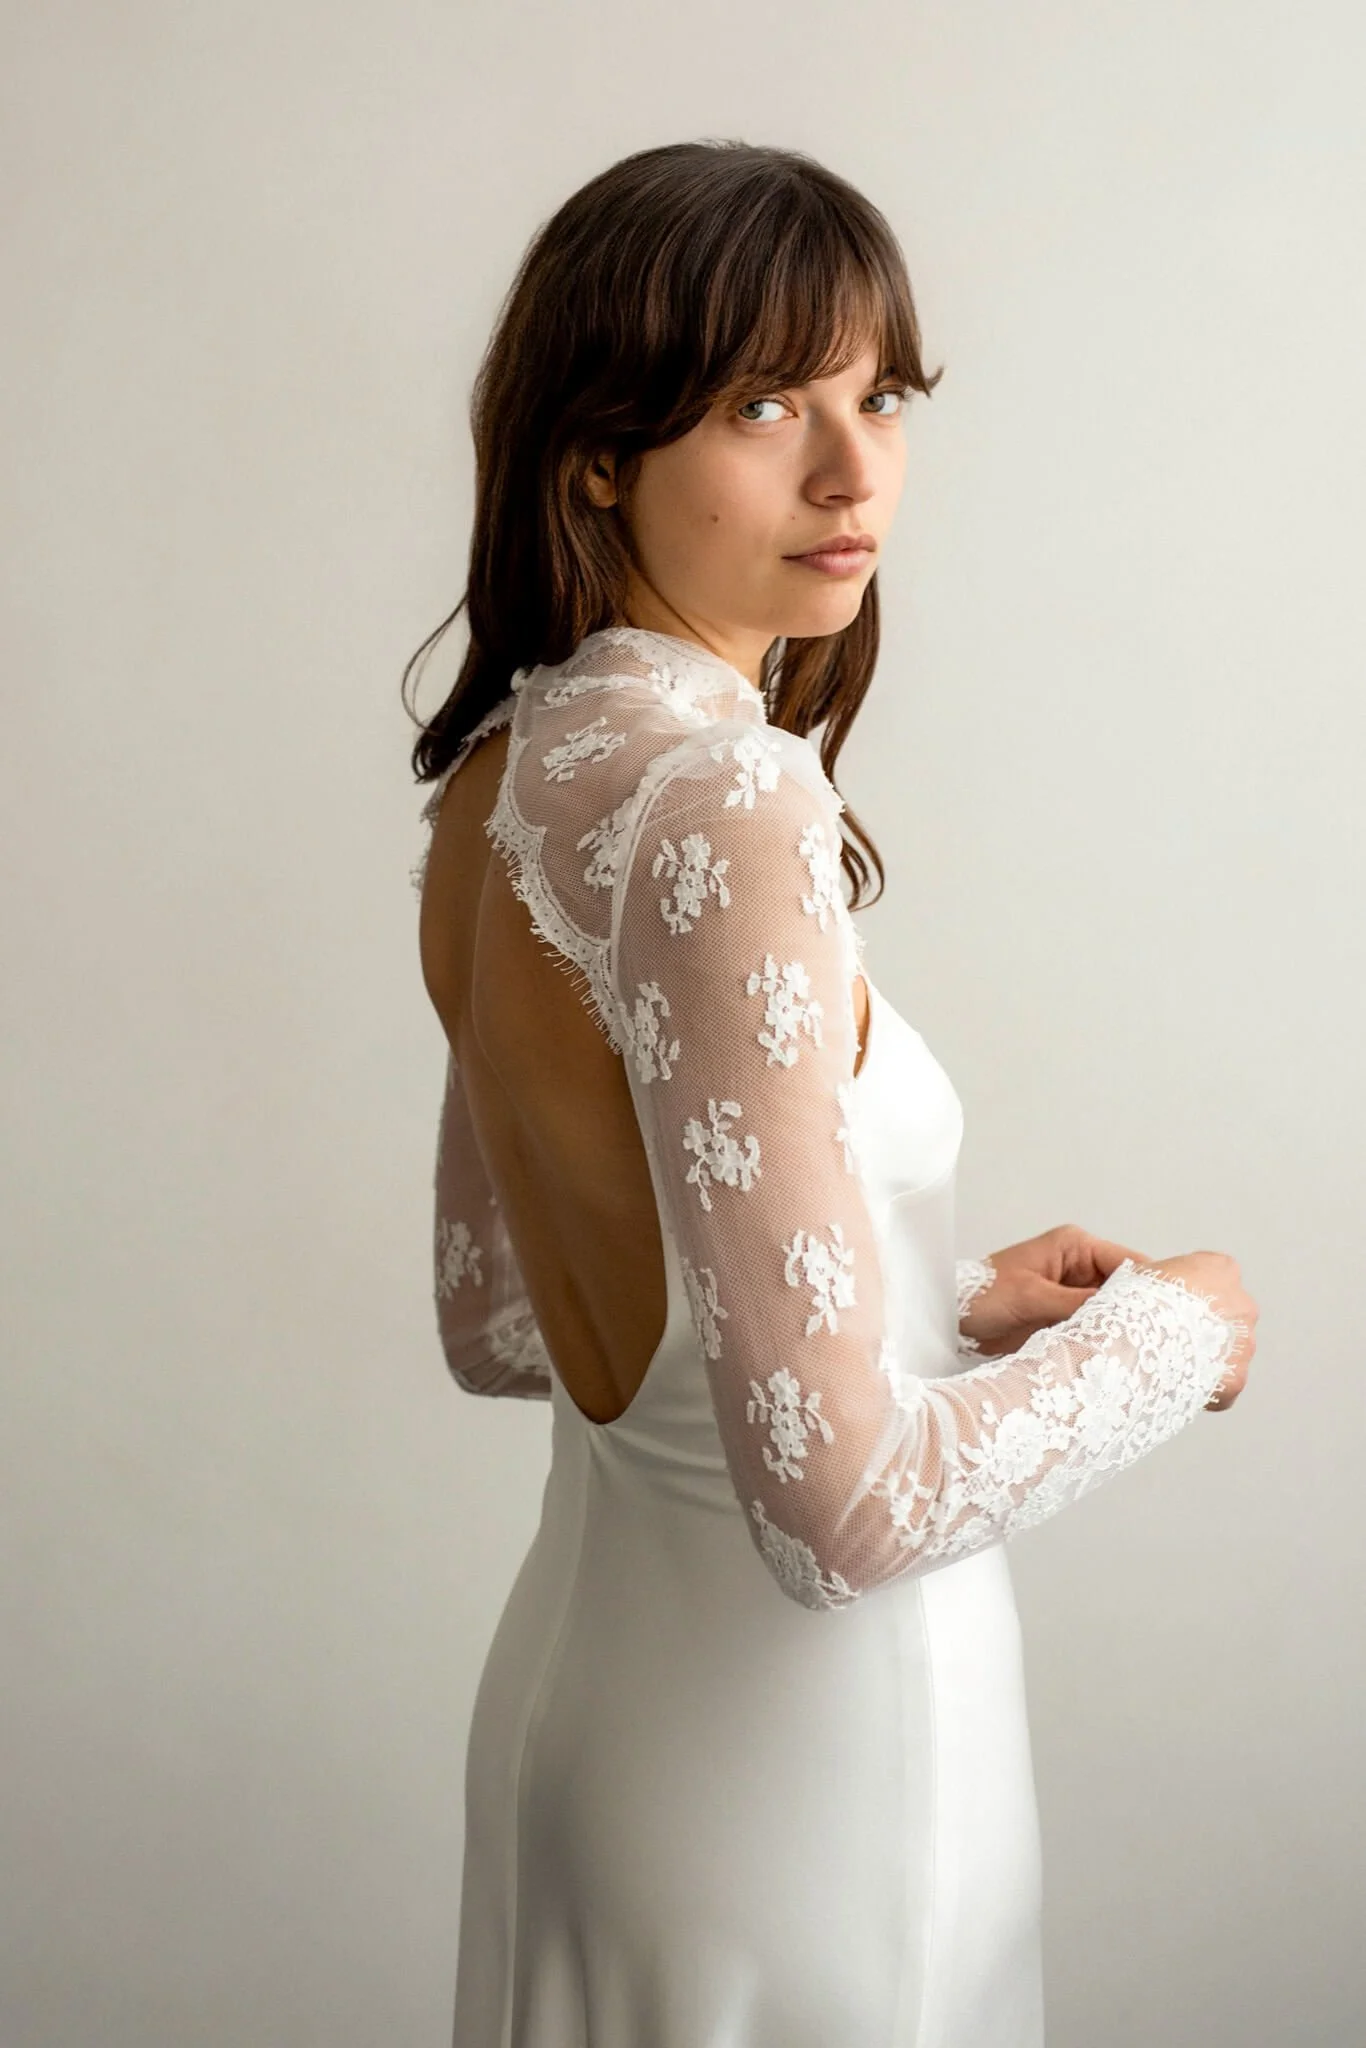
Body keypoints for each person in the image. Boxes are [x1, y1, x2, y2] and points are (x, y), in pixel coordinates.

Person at [406, 139, 1258, 2048]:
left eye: (878, 397)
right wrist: (1174, 1336)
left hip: (591, 1719)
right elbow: (840, 1517)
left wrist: (940, 1304)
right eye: (761, 404)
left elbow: (506, 1323)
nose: (851, 471)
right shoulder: (725, 797)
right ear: (595, 452)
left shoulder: (500, 779)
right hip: (816, 1787)